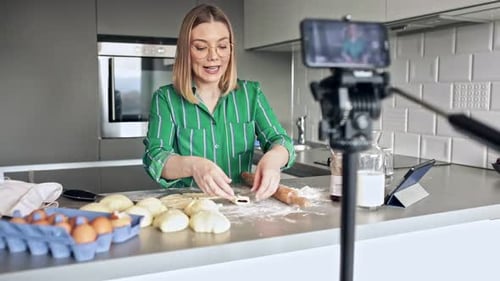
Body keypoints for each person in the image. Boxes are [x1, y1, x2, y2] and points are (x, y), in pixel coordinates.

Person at [143, 4, 296, 202]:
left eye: (222, 46)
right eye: (201, 47)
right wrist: (195, 165)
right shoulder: (166, 99)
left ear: (231, 50)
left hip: (241, 207)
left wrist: (273, 160)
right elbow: (155, 157)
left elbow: (281, 141)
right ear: (186, 51)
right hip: (190, 208)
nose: (213, 56)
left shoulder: (251, 94)